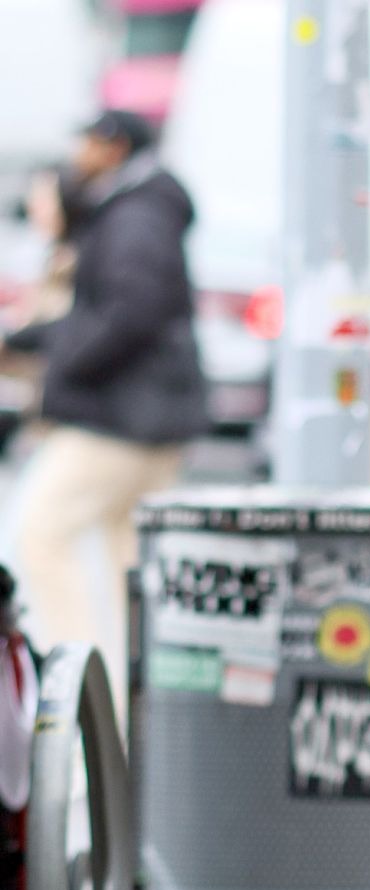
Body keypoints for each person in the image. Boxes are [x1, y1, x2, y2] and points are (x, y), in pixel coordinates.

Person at [0, 109, 207, 708]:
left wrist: (64, 365)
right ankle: (128, 694)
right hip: (143, 416)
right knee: (123, 559)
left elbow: (130, 312)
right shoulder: (139, 208)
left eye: (86, 141)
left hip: (123, 420)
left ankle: (81, 684)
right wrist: (30, 342)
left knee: (45, 533)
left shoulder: (134, 213)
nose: (77, 153)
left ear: (113, 147)